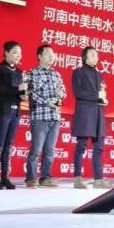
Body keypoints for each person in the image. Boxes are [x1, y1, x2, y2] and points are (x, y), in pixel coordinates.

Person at [0, 41, 28, 190]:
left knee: (9, 145)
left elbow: (20, 94)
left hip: (15, 111)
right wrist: (18, 89)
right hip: (1, 110)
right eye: (15, 52)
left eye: (20, 53)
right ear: (6, 53)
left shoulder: (20, 72)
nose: (18, 56)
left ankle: (5, 178)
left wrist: (23, 95)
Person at [25, 44, 66, 188]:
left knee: (49, 150)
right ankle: (31, 178)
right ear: (40, 56)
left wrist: (60, 97)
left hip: (55, 116)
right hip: (40, 116)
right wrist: (47, 102)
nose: (51, 56)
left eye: (53, 54)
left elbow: (63, 91)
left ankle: (45, 178)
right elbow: (31, 93)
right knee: (36, 149)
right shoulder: (33, 73)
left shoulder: (56, 74)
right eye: (48, 54)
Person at [71, 47, 112, 189]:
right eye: (93, 55)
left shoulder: (99, 74)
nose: (96, 57)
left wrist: (103, 100)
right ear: (85, 57)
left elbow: (100, 93)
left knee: (99, 147)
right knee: (81, 146)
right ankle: (77, 178)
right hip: (85, 113)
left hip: (98, 113)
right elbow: (78, 93)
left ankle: (98, 179)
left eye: (97, 55)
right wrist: (97, 96)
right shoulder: (79, 72)